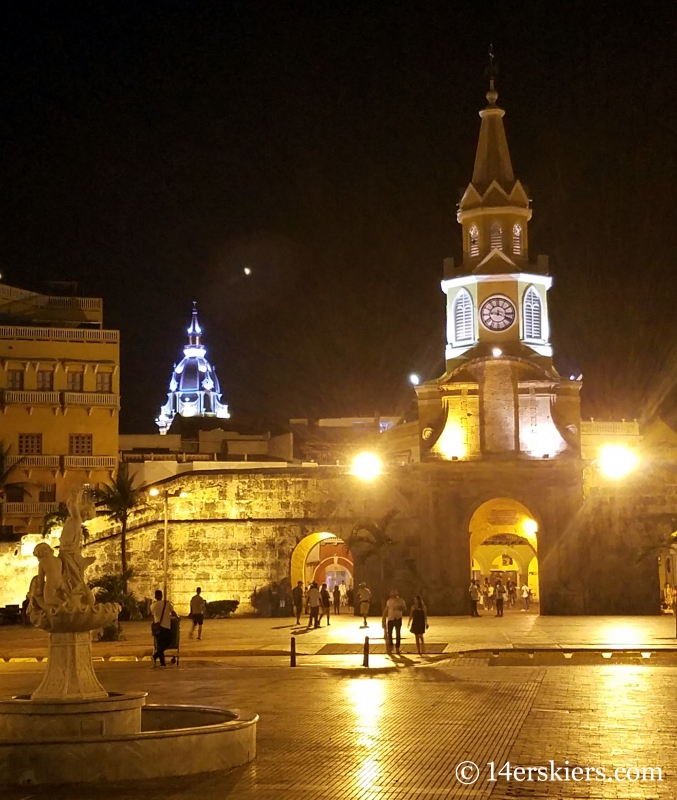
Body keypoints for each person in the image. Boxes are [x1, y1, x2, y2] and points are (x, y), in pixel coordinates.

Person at [151, 589, 178, 667]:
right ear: (161, 595)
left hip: (157, 627)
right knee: (168, 642)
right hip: (166, 626)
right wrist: (177, 618)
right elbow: (173, 612)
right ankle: (155, 656)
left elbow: (153, 614)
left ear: (155, 596)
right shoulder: (167, 603)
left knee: (160, 644)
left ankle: (162, 662)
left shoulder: (152, 606)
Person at [382, 589, 407, 654]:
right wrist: (383, 619)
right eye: (392, 593)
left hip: (398, 618)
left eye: (394, 593)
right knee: (389, 633)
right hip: (390, 618)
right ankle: (391, 645)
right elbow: (386, 610)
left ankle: (397, 648)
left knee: (398, 633)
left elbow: (404, 609)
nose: (393, 594)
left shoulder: (401, 601)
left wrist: (400, 608)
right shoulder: (389, 601)